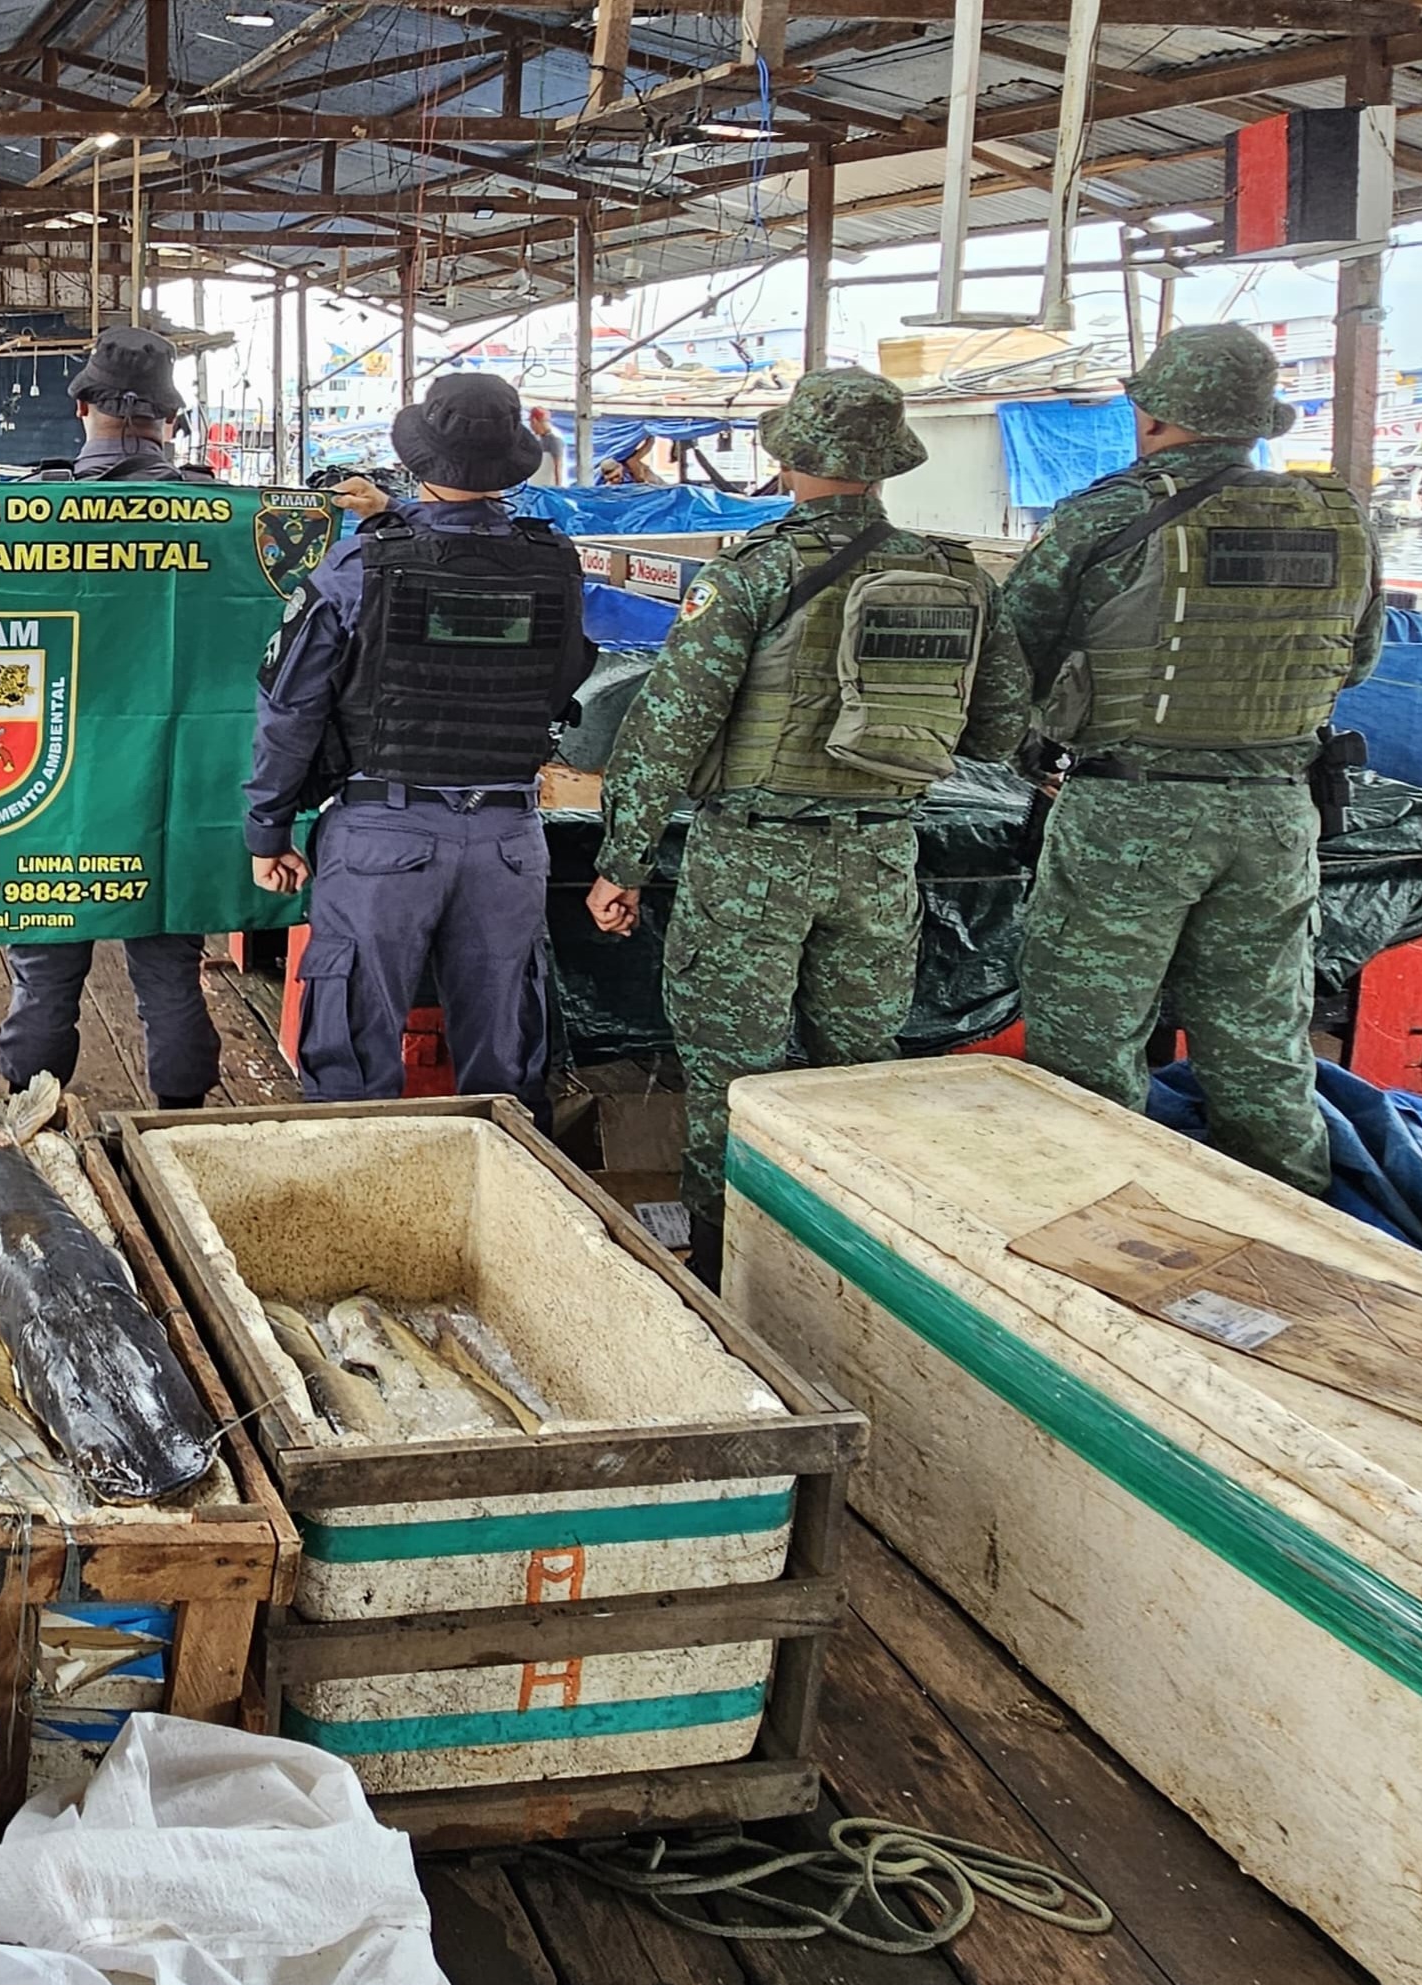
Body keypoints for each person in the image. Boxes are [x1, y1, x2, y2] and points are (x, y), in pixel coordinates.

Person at [587, 367, 1028, 1273]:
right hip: (879, 859)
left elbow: (671, 724)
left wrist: (621, 860)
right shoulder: (954, 575)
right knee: (856, 1082)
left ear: (787, 459)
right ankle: (843, 1268)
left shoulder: (750, 572)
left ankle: (722, 1275)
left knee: (730, 1079)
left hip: (752, 858)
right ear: (884, 466)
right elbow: (997, 729)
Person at [995, 323, 1384, 1196]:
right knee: (1260, 1047)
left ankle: (1089, 1232)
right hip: (1279, 813)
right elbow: (1354, 662)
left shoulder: (1105, 514)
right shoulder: (1337, 516)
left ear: (1150, 415)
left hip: (1130, 815)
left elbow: (1010, 654)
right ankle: (1296, 1243)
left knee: (1089, 1043)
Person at [244, 372, 594, 1113]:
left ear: (418, 461)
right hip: (509, 835)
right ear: (511, 463)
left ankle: (357, 1209)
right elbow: (564, 675)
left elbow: (291, 706)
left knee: (351, 1052)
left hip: (383, 832)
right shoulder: (553, 561)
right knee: (507, 1059)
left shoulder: (358, 565)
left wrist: (268, 826)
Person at [0, 326, 224, 1109]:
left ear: (80, 407)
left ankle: (34, 1124)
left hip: (45, 784)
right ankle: (180, 1132)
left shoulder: (20, 514)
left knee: (42, 970)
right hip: (172, 795)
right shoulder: (221, 520)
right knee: (170, 971)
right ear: (171, 419)